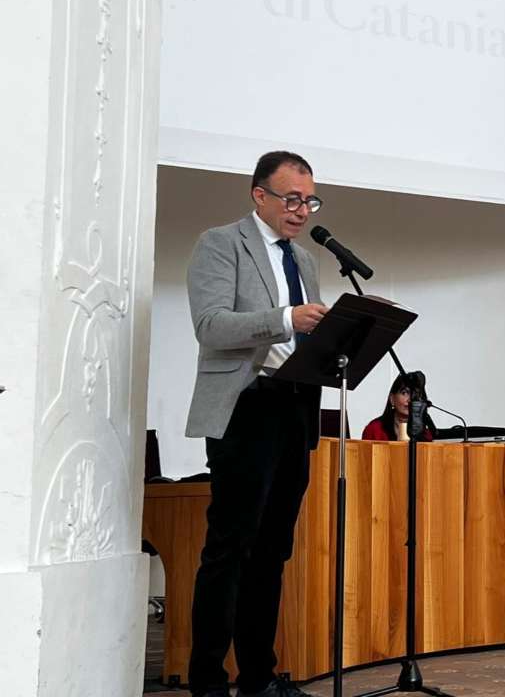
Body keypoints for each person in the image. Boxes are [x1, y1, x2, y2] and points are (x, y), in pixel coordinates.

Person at [183, 151, 326, 697]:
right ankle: (208, 682)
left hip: (295, 407)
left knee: (273, 551)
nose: (301, 210)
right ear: (259, 195)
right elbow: (211, 325)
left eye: (309, 201)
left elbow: (304, 337)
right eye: (291, 198)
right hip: (246, 407)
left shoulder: (305, 260)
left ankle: (258, 679)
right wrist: (287, 318)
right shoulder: (221, 243)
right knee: (231, 548)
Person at [362, 371, 434, 441]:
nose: (410, 400)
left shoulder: (427, 436)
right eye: (404, 393)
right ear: (392, 399)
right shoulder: (374, 430)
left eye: (416, 394)